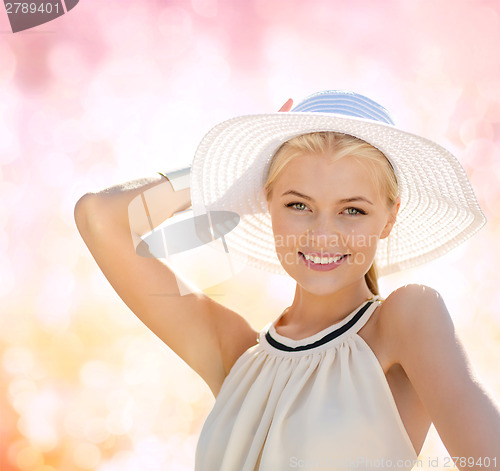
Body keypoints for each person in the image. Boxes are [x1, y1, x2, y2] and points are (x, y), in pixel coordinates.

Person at [75, 91, 500, 470]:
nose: (322, 235)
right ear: (267, 201)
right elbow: (101, 217)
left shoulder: (407, 318)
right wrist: (228, 174)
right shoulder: (236, 353)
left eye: (352, 210)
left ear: (389, 217)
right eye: (299, 204)